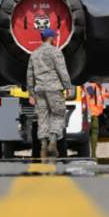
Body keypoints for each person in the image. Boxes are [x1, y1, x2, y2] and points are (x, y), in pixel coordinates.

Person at [27, 29, 71, 161]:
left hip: (39, 90)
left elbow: (29, 75)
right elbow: (62, 70)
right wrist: (67, 86)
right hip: (54, 89)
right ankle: (52, 140)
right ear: (51, 38)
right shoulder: (56, 52)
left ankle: (43, 144)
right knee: (58, 115)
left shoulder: (34, 54)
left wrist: (31, 93)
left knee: (42, 118)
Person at [83, 81, 109, 159]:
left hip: (96, 114)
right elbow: (90, 94)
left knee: (93, 133)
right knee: (94, 133)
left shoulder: (101, 88)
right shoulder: (91, 86)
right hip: (91, 113)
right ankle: (93, 154)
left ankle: (92, 153)